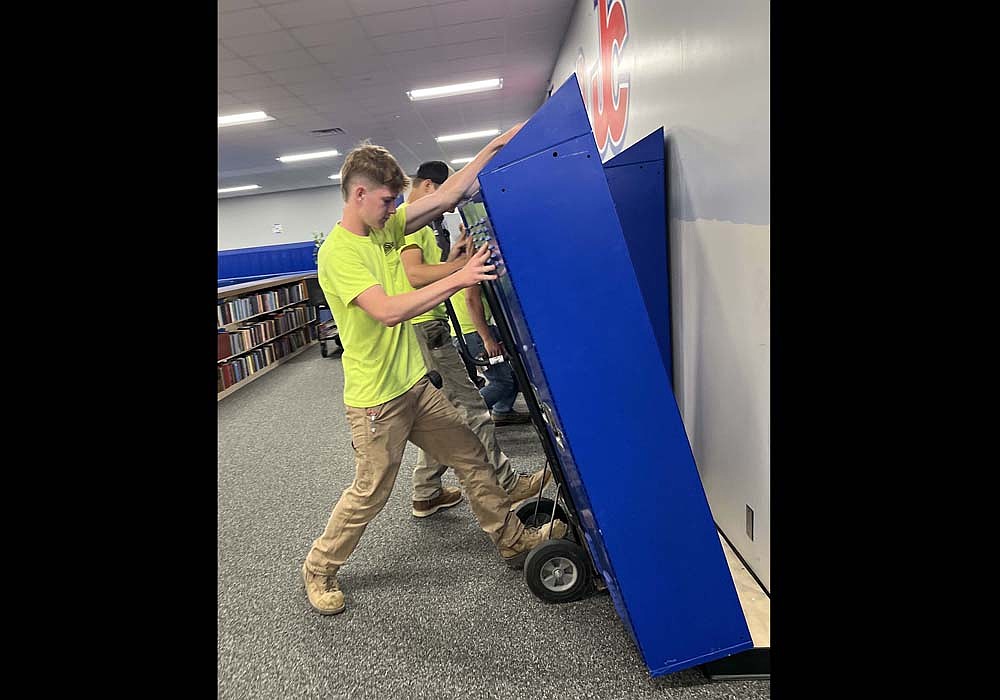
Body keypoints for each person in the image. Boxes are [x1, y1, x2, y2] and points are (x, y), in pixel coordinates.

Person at [302, 130, 568, 616]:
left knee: (469, 452)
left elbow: (449, 193)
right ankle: (319, 566)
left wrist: (494, 147)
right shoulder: (338, 254)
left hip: (414, 387)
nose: (392, 209)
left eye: (396, 201)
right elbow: (386, 311)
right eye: (386, 201)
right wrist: (458, 276)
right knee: (371, 491)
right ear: (358, 194)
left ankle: (511, 540)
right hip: (377, 399)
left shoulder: (381, 230)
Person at [397, 161, 549, 518]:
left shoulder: (414, 226)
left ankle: (426, 492)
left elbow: (423, 275)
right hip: (427, 330)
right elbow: (415, 275)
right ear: (431, 187)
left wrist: (454, 257)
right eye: (447, 196)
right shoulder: (410, 223)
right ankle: (506, 484)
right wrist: (463, 269)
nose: (449, 206)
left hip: (425, 327)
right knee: (473, 409)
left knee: (440, 417)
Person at [453, 273, 532, 425]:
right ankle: (461, 420)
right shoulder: (469, 264)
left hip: (477, 330)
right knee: (502, 382)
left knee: (513, 373)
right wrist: (488, 339)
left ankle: (503, 411)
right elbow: (471, 300)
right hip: (475, 332)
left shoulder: (458, 264)